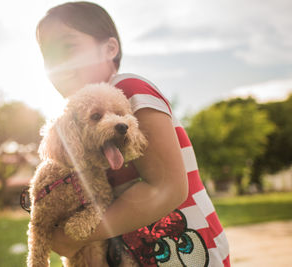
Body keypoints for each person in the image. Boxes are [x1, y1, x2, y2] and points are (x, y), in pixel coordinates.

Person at [35, 2, 230, 266]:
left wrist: (74, 236)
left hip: (186, 252)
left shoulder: (127, 88)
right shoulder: (80, 127)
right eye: (49, 53)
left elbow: (167, 187)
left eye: (68, 46)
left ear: (110, 49)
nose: (58, 62)